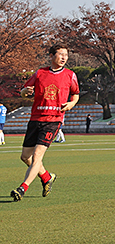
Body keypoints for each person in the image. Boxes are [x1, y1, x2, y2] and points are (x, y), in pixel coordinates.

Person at [11, 44, 80, 201]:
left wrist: (71, 104)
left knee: (37, 156)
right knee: (25, 156)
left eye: (66, 55)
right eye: (61, 54)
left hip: (53, 120)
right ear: (51, 55)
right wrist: (25, 92)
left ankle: (22, 188)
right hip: (35, 118)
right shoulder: (40, 73)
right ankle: (46, 177)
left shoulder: (70, 75)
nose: (64, 58)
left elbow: (76, 94)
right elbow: (24, 90)